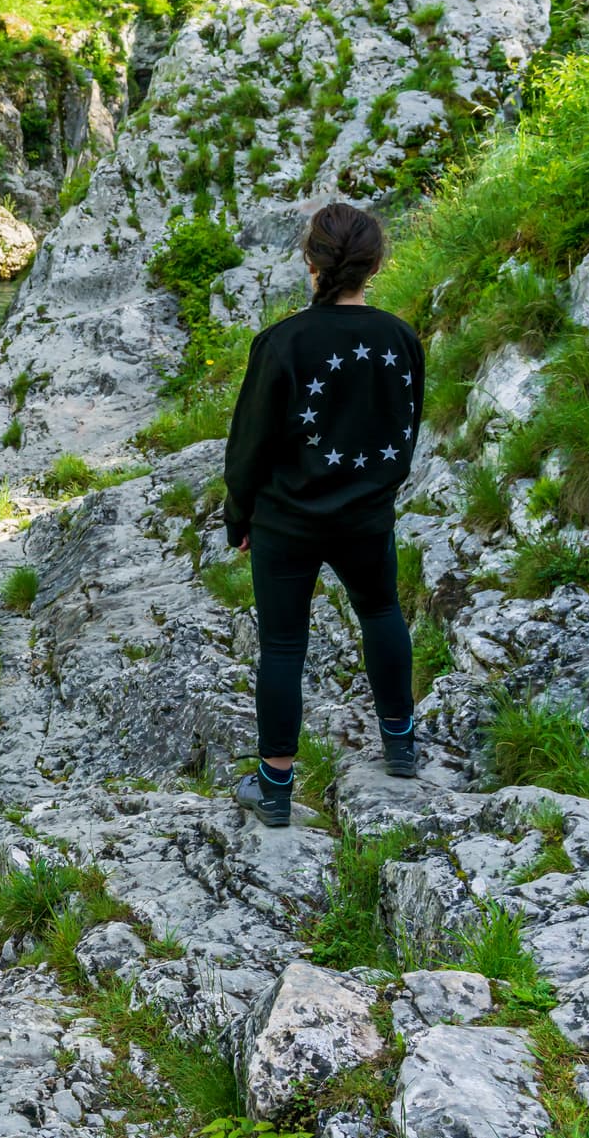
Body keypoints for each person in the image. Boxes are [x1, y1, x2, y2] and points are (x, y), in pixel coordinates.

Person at [222, 203, 426, 828]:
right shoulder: (401, 339)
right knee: (382, 612)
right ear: (375, 263)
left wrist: (240, 516)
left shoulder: (282, 342)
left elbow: (249, 443)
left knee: (283, 646)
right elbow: (405, 428)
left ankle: (275, 788)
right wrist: (377, 493)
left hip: (287, 520)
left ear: (310, 263)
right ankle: (401, 745)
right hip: (366, 515)